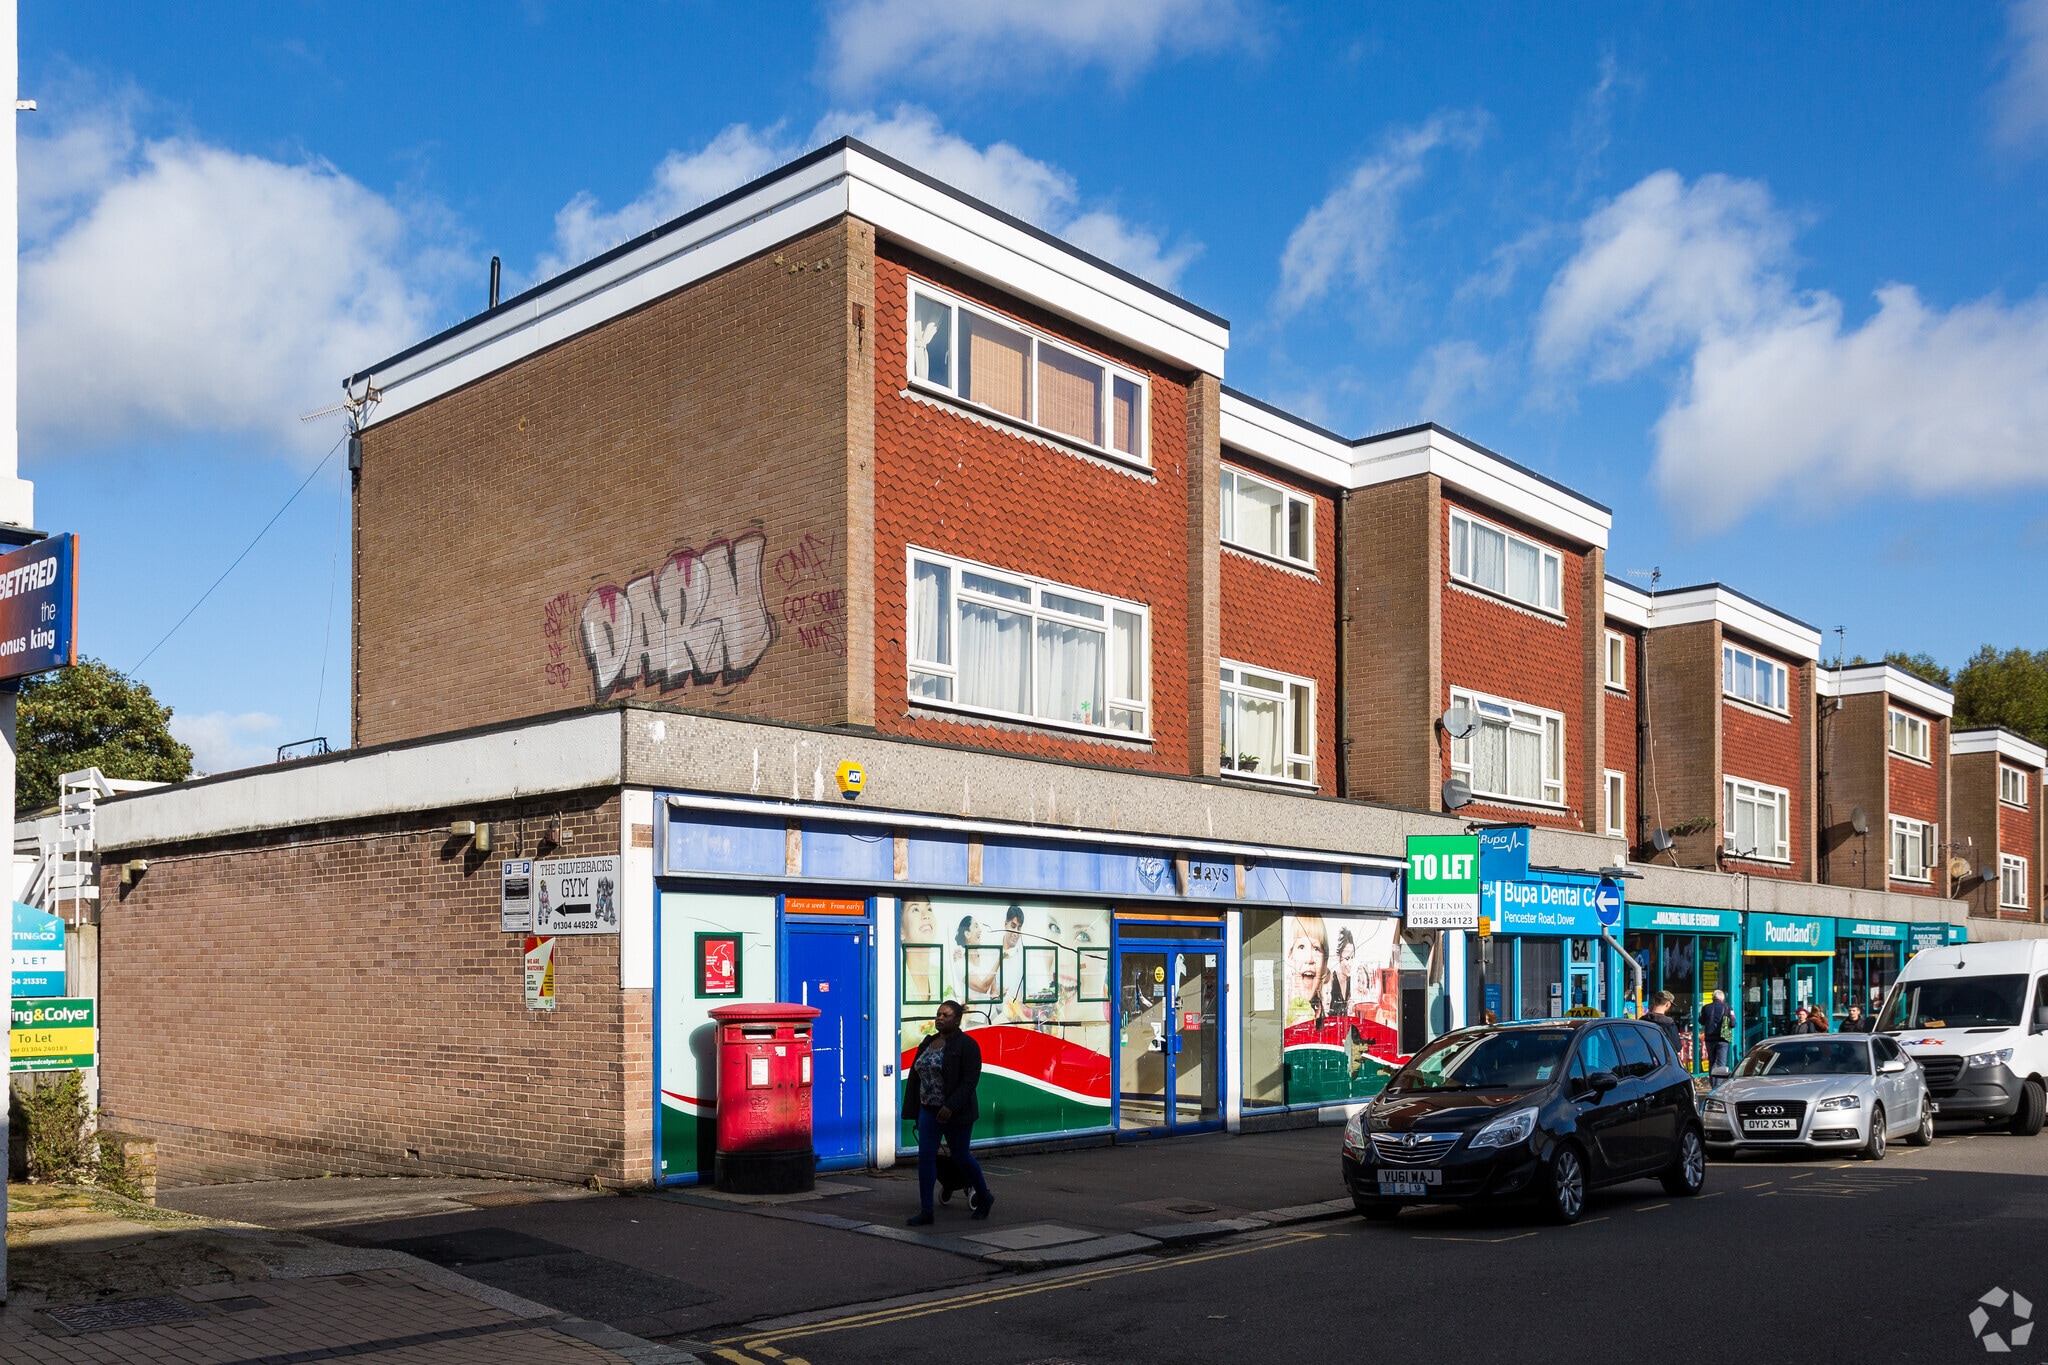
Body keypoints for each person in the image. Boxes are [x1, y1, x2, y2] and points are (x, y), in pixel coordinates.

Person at [904, 1000, 994, 1226]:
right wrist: (916, 1109)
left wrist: (951, 1106)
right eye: (938, 1014)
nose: (940, 1018)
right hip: (928, 1111)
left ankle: (985, 1197)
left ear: (957, 1019)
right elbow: (916, 1078)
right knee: (925, 1159)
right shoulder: (927, 1042)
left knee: (961, 1156)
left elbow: (970, 1080)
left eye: (945, 1015)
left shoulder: (967, 1045)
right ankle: (926, 1211)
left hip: (956, 1113)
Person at [1699, 990, 1735, 1071]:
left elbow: (1701, 1021)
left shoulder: (1705, 1008)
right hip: (1722, 1039)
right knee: (1721, 1063)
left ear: (1713, 998)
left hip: (1709, 1039)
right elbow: (1733, 1024)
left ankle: (1713, 1083)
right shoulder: (1728, 1008)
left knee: (1712, 1062)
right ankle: (1719, 1083)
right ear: (1722, 998)